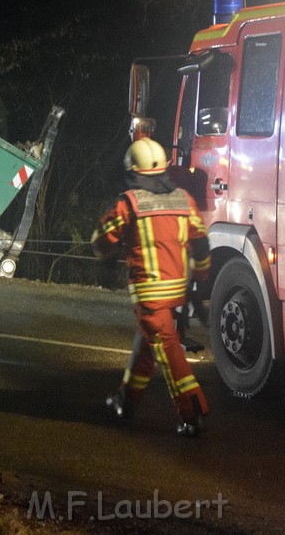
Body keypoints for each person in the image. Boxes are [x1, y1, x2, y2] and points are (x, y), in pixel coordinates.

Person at [91, 137, 212, 437]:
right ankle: (124, 401)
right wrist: (199, 282)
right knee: (148, 345)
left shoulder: (129, 203)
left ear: (133, 170)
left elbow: (101, 240)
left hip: (150, 294)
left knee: (168, 350)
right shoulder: (184, 199)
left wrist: (104, 253)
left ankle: (192, 411)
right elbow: (201, 245)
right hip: (177, 293)